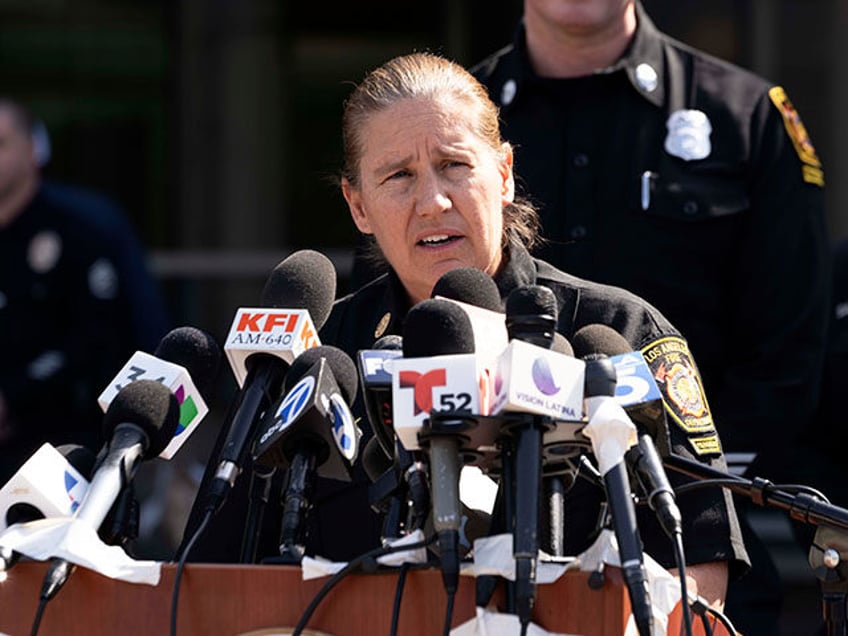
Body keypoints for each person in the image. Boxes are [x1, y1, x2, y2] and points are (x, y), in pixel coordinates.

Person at [323, 51, 748, 607]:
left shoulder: (617, 332)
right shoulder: (323, 355)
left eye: (455, 165)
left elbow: (698, 569)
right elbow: (229, 560)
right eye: (398, 176)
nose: (433, 201)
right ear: (358, 205)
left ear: (503, 174)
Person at [469, 2, 831, 632]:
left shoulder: (744, 115)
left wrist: (706, 487)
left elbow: (789, 346)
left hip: (694, 534)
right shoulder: (456, 124)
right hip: (486, 534)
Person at [0, 97, 171, 485]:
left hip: (72, 446)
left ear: (31, 152)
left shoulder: (83, 225)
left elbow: (101, 339)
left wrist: (14, 396)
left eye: (1, 143)